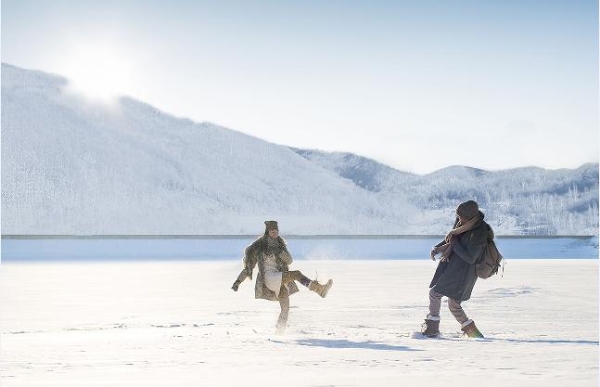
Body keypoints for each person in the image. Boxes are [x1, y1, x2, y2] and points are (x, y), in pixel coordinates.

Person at [231, 220, 333, 333]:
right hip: (269, 277)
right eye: (272, 231)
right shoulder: (259, 246)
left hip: (279, 277)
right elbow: (248, 268)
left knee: (285, 308)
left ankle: (279, 332)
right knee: (296, 274)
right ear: (267, 232)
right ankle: (319, 289)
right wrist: (237, 282)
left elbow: (289, 261)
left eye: (276, 231)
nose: (275, 233)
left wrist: (279, 251)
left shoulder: (280, 245)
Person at [421, 200, 493, 338]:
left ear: (470, 217)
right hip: (453, 267)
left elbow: (470, 257)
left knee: (435, 294)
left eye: (461, 217)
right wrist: (437, 248)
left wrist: (453, 244)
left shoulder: (480, 231)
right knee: (453, 304)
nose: (458, 219)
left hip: (464, 273)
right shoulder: (462, 223)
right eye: (458, 216)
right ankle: (474, 335)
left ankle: (432, 328)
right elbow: (452, 238)